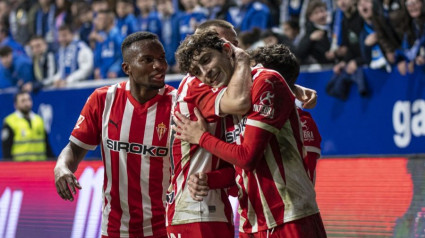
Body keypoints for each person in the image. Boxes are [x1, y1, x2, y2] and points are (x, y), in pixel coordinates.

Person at [166, 19, 318, 238]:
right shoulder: (211, 92)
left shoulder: (254, 86)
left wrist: (202, 137)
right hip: (244, 219)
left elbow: (247, 157)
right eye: (196, 70)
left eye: (234, 43)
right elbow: (240, 169)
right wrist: (211, 178)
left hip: (288, 217)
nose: (204, 74)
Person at [54, 32, 174, 238]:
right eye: (148, 60)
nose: (159, 65)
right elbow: (74, 148)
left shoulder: (177, 103)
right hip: (115, 227)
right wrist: (61, 167)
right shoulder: (103, 99)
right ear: (127, 68)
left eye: (162, 58)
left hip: (165, 226)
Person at [249, 44, 322, 184]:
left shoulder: (302, 122)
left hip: (288, 203)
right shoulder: (246, 113)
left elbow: (303, 177)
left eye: (255, 74)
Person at [2, 91, 54, 161]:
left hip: (39, 164)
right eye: (23, 101)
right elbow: (6, 148)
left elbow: (46, 145)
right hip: (19, 166)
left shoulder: (39, 120)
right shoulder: (10, 121)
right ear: (15, 105)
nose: (26, 103)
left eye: (28, 100)